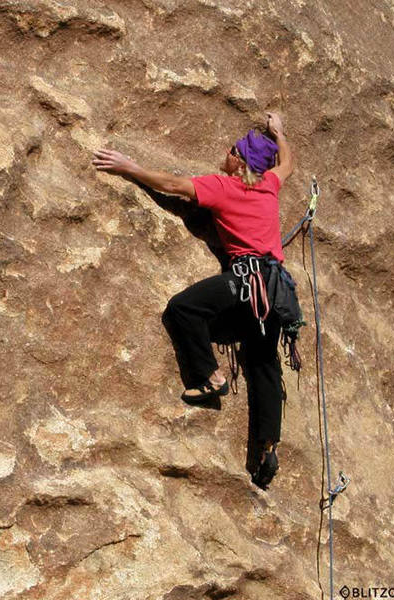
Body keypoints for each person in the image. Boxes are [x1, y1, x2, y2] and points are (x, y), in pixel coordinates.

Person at [92, 112, 295, 489]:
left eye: (232, 150)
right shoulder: (268, 184)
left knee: (184, 308)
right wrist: (280, 133)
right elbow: (288, 164)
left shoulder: (224, 186)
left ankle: (210, 377)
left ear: (239, 162)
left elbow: (173, 185)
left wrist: (130, 168)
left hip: (246, 280)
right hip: (277, 292)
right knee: (264, 363)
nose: (226, 153)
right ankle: (266, 449)